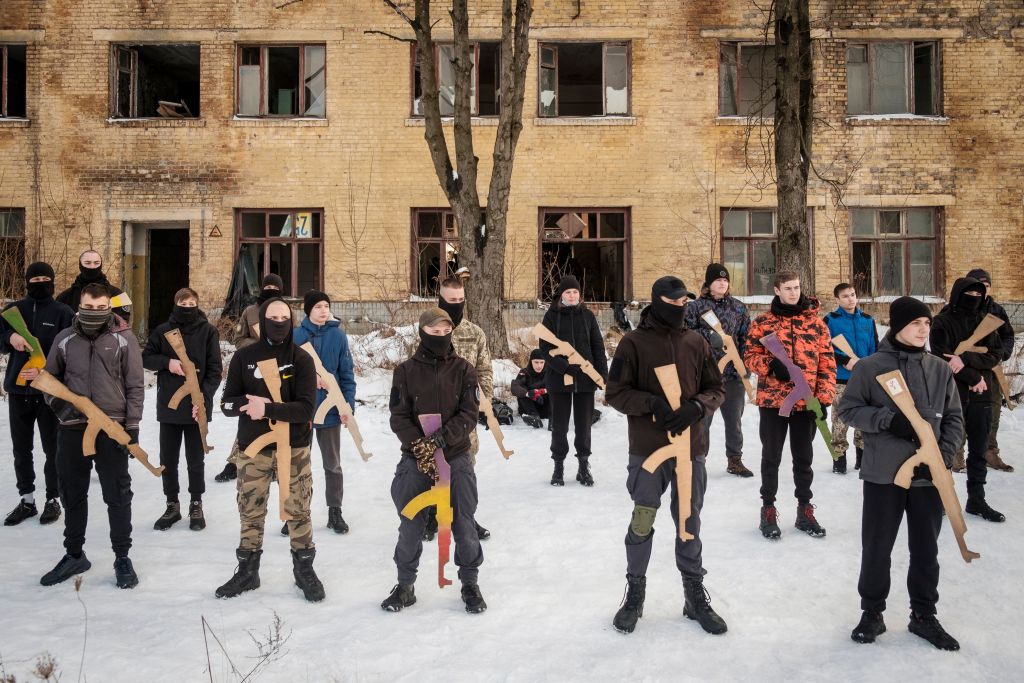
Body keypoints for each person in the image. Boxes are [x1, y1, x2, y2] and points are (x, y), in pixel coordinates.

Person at [838, 297, 964, 650]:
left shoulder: (940, 369)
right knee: (877, 546)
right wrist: (886, 420)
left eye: (927, 323)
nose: (924, 329)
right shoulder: (870, 367)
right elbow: (848, 410)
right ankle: (872, 612)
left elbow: (954, 417)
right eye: (916, 324)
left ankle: (923, 615)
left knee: (926, 548)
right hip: (883, 475)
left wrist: (942, 454)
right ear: (897, 326)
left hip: (928, 475)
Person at [606, 276, 728, 635]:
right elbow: (615, 393)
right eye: (673, 303)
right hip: (648, 451)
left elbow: (716, 389)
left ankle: (693, 595)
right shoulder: (633, 344)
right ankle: (635, 593)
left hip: (690, 451)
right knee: (643, 519)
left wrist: (698, 408)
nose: (680, 309)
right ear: (656, 302)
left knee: (689, 522)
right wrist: (651, 404)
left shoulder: (696, 342)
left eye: (684, 304)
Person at [216, 298, 324, 602]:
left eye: (284, 317)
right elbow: (226, 404)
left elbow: (305, 409)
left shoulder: (301, 359)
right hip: (254, 447)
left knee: (298, 509)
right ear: (262, 321)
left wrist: (267, 408)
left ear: (291, 321)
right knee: (250, 509)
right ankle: (247, 571)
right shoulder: (245, 357)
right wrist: (244, 405)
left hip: (294, 447)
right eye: (273, 317)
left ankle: (304, 570)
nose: (278, 322)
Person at [39, 283, 144, 589]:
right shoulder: (65, 339)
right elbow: (49, 381)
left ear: (108, 307)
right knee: (72, 492)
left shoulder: (124, 339)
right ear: (79, 305)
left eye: (101, 308)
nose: (95, 312)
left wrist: (132, 426)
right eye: (89, 307)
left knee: (117, 494)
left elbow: (136, 385)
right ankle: (74, 554)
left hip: (112, 427)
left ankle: (122, 557)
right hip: (73, 428)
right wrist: (64, 410)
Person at [381, 308, 485, 614]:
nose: (440, 337)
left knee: (463, 523)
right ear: (422, 333)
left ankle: (470, 584)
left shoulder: (464, 369)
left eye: (445, 332)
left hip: (455, 458)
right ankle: (404, 586)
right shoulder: (405, 372)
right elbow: (398, 416)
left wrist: (441, 440)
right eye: (434, 332)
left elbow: (469, 413)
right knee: (410, 523)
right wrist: (419, 446)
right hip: (416, 461)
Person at [743, 270, 836, 539]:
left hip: (807, 403)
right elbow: (749, 355)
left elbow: (828, 363)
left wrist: (824, 397)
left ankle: (804, 509)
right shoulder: (763, 323)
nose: (794, 293)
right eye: (788, 288)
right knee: (771, 456)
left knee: (804, 459)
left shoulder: (817, 325)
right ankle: (768, 509)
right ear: (776, 290)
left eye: (796, 288)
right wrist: (770, 365)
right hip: (773, 402)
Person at [142, 288, 222, 532]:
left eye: (191, 302)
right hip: (169, 404)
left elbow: (215, 370)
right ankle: (172, 504)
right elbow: (146, 357)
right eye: (183, 302)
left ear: (197, 304)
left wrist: (203, 397)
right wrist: (168, 363)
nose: (187, 306)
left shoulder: (208, 331)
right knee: (168, 459)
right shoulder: (163, 331)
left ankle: (196, 504)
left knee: (195, 460)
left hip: (197, 407)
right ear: (176, 303)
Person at [1, 262, 74, 526]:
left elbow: (70, 352)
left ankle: (53, 499)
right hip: (19, 391)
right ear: (27, 281)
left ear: (53, 281)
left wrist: (46, 374)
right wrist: (10, 338)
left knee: (52, 447)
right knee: (22, 448)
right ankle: (27, 499)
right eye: (35, 278)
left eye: (45, 278)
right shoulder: (13, 311)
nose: (40, 282)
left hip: (49, 392)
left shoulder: (63, 312)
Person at [930, 277, 1005, 523]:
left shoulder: (987, 323)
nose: (974, 297)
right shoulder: (941, 322)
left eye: (978, 293)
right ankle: (941, 498)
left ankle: (977, 499)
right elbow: (941, 357)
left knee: (979, 450)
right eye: (969, 292)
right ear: (958, 293)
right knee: (948, 448)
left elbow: (995, 355)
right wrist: (973, 377)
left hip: (983, 395)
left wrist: (966, 360)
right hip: (952, 396)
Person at [293, 290, 356, 535]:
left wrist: (347, 405)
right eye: (317, 306)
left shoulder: (338, 337)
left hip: (330, 411)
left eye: (326, 306)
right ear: (308, 310)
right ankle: (297, 513)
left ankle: (334, 511)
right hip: (302, 412)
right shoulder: (295, 336)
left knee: (333, 465)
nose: (323, 310)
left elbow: (347, 374)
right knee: (299, 466)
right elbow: (285, 373)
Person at [434, 276, 492, 540]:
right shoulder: (427, 329)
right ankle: (433, 515)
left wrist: (481, 401)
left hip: (465, 418)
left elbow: (484, 370)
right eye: (450, 300)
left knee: (465, 469)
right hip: (433, 416)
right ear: (440, 298)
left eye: (459, 300)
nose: (456, 305)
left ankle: (465, 517)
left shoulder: (474, 333)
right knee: (432, 466)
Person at [683, 263, 753, 478]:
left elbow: (745, 338)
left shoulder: (739, 308)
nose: (722, 283)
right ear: (709, 283)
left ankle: (735, 459)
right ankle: (698, 460)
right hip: (705, 375)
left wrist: (745, 365)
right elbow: (684, 333)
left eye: (725, 280)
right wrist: (707, 337)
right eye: (717, 280)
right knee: (703, 420)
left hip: (733, 375)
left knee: (734, 420)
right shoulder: (695, 307)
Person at [215, 273, 285, 483]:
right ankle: (235, 462)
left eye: (275, 287)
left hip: (280, 370)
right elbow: (238, 339)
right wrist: (258, 348)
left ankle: (277, 464)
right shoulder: (250, 311)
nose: (271, 289)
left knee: (279, 414)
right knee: (250, 414)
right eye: (268, 286)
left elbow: (294, 338)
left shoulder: (285, 312)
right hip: (254, 370)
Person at [540, 275, 608, 487]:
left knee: (583, 425)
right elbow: (545, 348)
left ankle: (583, 466)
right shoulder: (551, 316)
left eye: (575, 292)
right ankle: (558, 466)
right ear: (562, 294)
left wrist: (601, 375)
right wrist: (564, 367)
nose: (572, 295)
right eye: (568, 292)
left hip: (585, 380)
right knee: (559, 426)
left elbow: (597, 346)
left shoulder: (588, 316)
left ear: (580, 295)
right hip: (559, 380)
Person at [824, 282, 878, 473]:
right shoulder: (830, 320)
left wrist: (871, 366)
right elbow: (824, 349)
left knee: (864, 417)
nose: (850, 299)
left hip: (865, 378)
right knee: (840, 418)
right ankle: (839, 459)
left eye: (853, 294)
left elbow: (875, 349)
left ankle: (862, 458)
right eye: (845, 296)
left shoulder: (867, 320)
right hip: (841, 378)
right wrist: (843, 359)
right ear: (837, 299)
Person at [965, 268, 1015, 473]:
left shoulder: (996, 309)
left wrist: (1001, 353)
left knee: (992, 412)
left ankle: (990, 452)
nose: (983, 290)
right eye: (979, 286)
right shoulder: (958, 307)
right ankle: (957, 455)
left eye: (986, 286)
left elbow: (1008, 335)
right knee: (960, 412)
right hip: (966, 370)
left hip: (992, 369)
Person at [56, 250, 130, 322]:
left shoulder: (117, 295)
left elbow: (122, 323)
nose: (92, 267)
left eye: (96, 263)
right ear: (80, 265)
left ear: (101, 265)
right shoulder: (65, 297)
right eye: (87, 263)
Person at [511, 349, 550, 428]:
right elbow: (515, 386)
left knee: (554, 392)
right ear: (531, 361)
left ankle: (554, 421)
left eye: (541, 362)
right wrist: (528, 393)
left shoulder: (549, 373)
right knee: (522, 390)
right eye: (536, 362)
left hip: (545, 408)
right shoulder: (525, 372)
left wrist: (541, 392)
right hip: (528, 409)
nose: (539, 366)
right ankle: (534, 418)